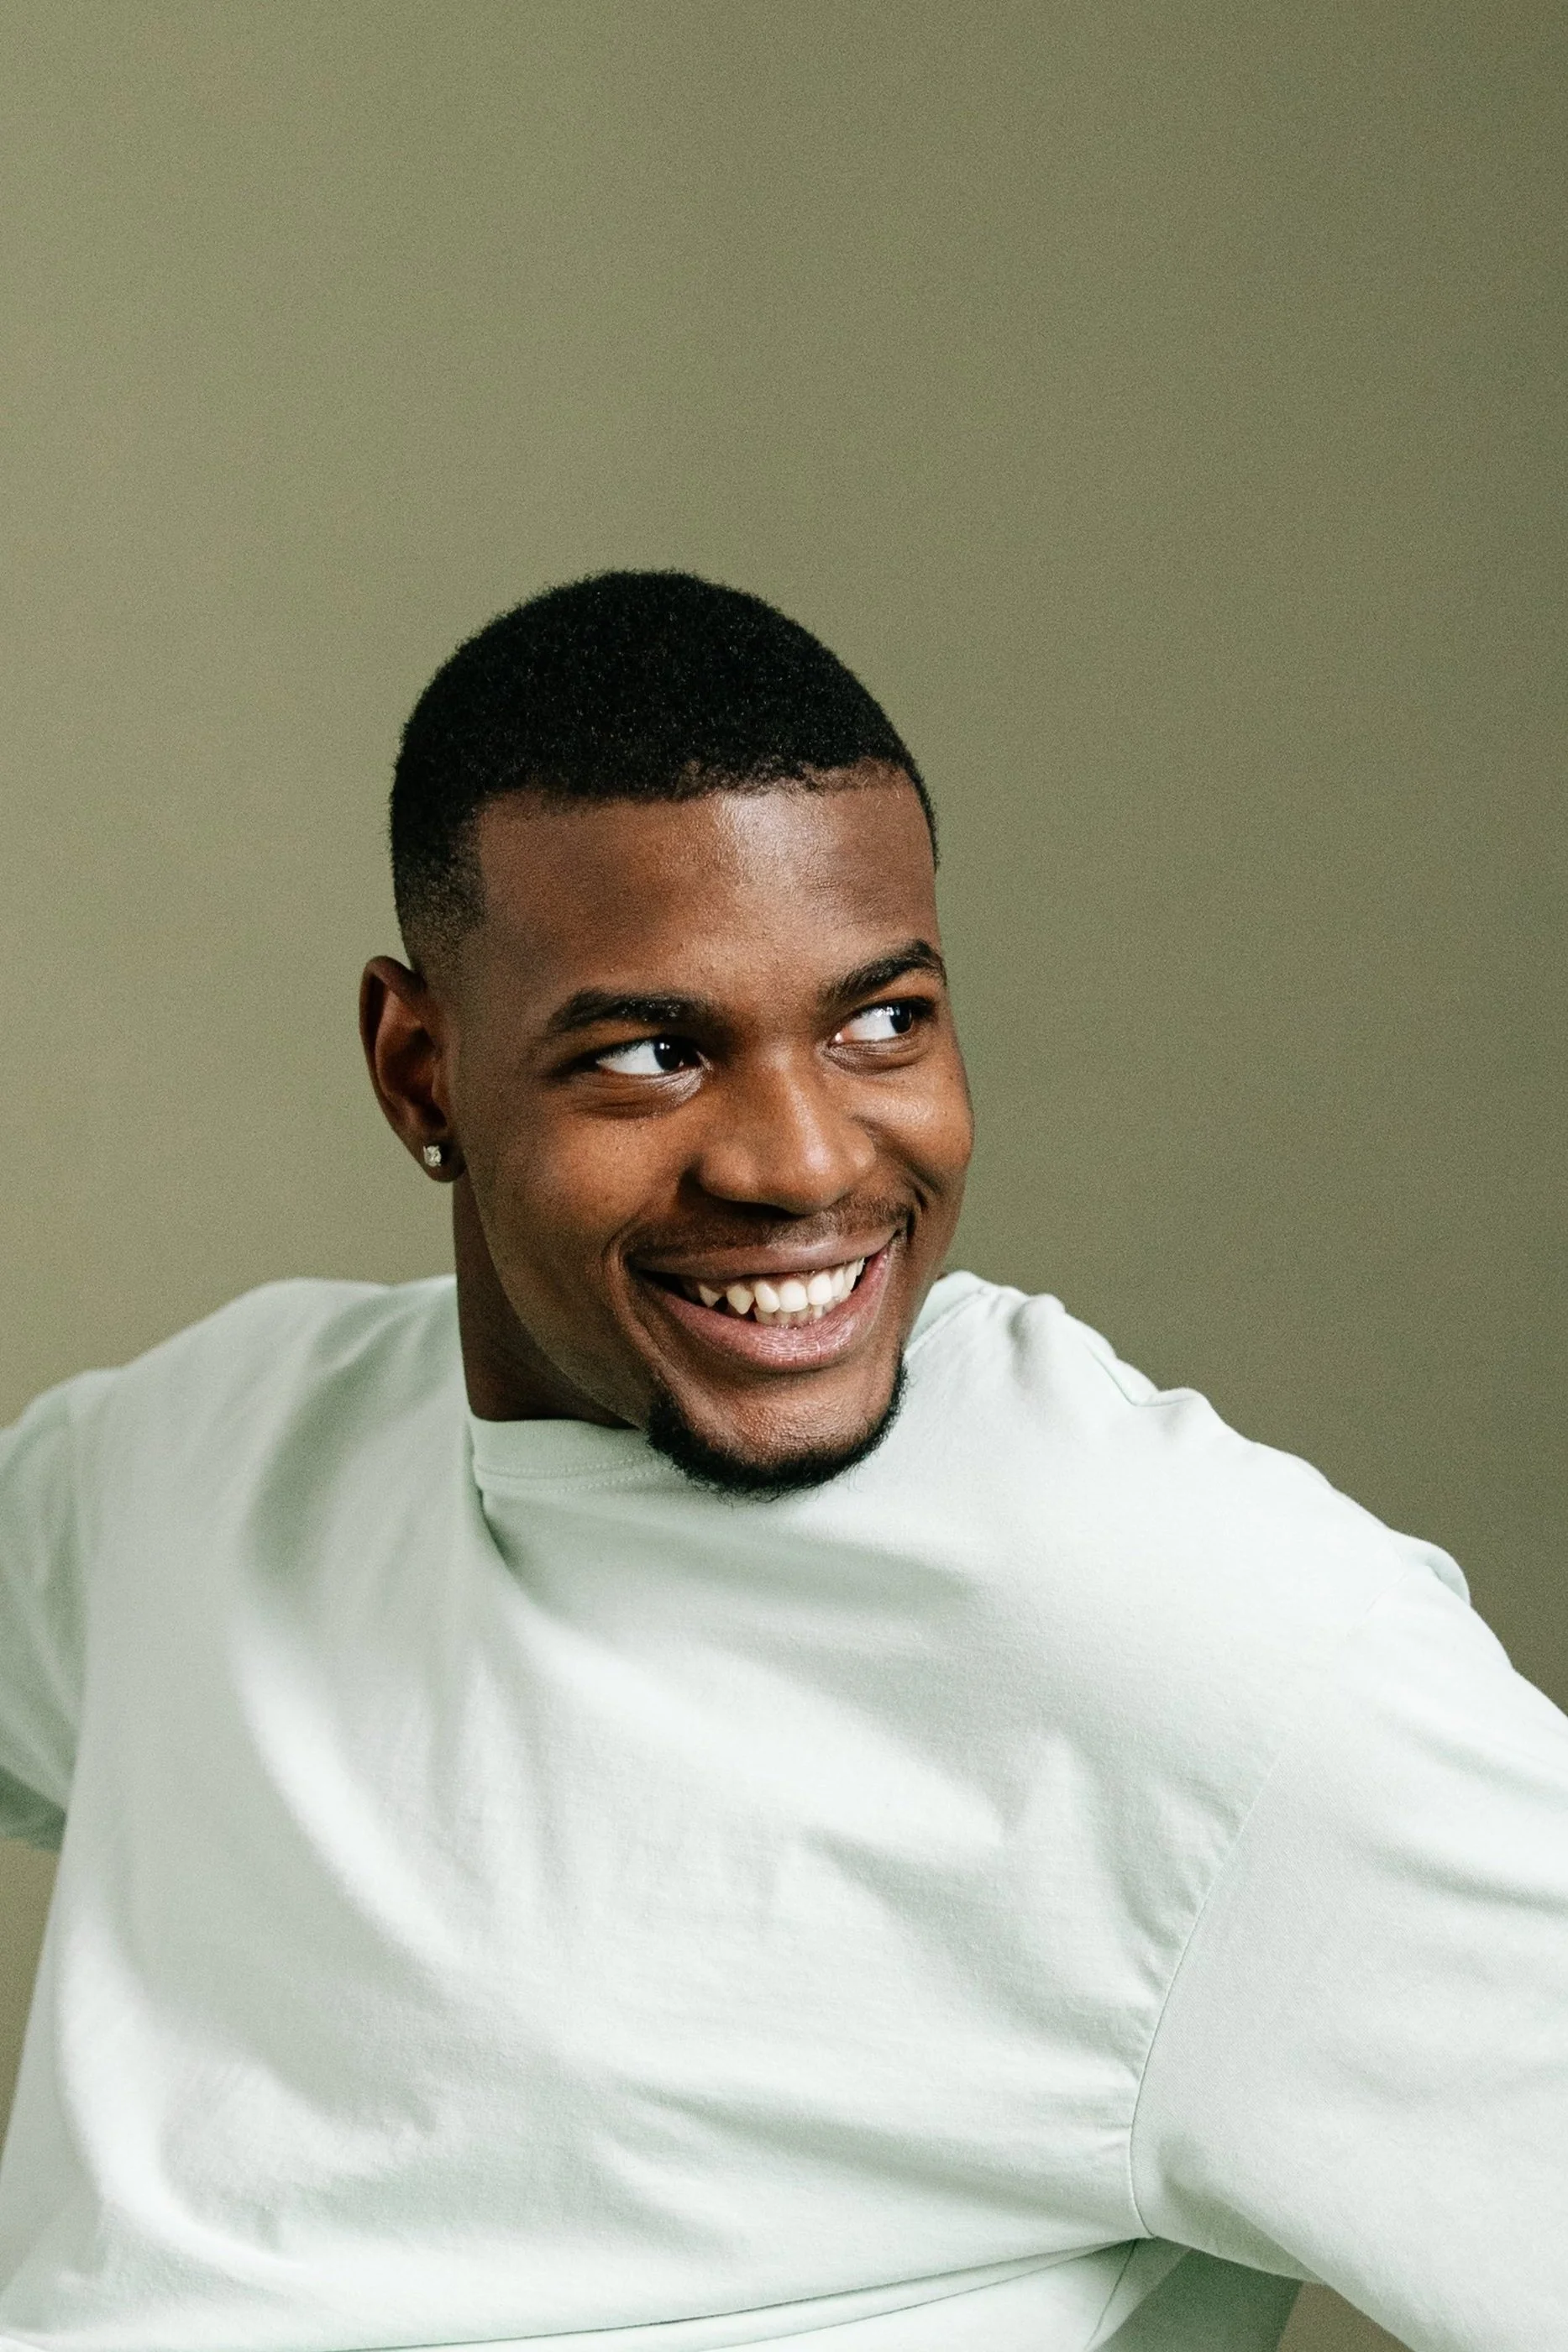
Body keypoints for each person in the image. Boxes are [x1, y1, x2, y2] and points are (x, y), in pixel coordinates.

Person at [0, 572, 1562, 2352]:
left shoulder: (1218, 1647)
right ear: (420, 1069)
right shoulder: (212, 1450)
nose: (803, 1157)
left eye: (881, 1021)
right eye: (655, 1050)